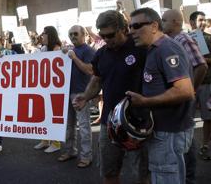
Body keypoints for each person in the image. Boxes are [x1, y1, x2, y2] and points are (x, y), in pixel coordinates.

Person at [73, 10, 148, 183]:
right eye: (102, 35)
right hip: (110, 123)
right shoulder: (101, 53)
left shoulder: (140, 48)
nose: (106, 39)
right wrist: (85, 97)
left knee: (142, 173)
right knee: (109, 171)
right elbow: (96, 80)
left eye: (111, 35)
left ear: (124, 29)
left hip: (138, 121)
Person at [126, 8, 195, 184]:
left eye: (136, 26)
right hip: (163, 131)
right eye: (129, 26)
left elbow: (185, 90)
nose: (131, 31)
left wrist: (145, 102)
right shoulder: (154, 49)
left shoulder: (166, 48)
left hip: (169, 133)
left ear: (154, 26)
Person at [162, 9, 208, 184]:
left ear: (175, 22)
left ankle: (188, 178)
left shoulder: (184, 39)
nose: (161, 22)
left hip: (184, 98)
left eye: (164, 20)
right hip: (178, 98)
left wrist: (191, 90)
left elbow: (201, 66)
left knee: (185, 140)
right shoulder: (171, 40)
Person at [58, 25, 95, 168]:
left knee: (84, 126)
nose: (72, 36)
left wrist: (73, 58)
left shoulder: (89, 51)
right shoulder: (70, 51)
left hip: (81, 93)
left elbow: (89, 70)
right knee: (69, 125)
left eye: (75, 34)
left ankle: (86, 156)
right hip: (66, 92)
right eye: (70, 34)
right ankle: (70, 151)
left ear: (83, 35)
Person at [188, 11, 211, 162]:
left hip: (208, 84)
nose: (203, 23)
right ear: (192, 22)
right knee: (187, 117)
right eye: (200, 20)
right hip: (189, 85)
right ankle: (187, 146)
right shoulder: (184, 39)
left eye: (204, 20)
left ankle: (205, 146)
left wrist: (202, 61)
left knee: (209, 116)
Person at [33, 26, 62, 153]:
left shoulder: (58, 49)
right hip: (44, 88)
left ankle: (56, 143)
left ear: (50, 35)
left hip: (54, 89)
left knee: (53, 115)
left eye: (44, 34)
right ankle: (45, 140)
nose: (42, 36)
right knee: (43, 114)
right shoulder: (44, 49)